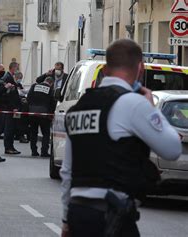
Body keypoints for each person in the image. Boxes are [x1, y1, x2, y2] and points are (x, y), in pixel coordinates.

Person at [60, 39, 182, 237]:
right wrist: (151, 108)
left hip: (79, 210)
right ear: (140, 68)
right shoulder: (132, 103)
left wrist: (66, 220)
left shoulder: (79, 108)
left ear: (105, 69)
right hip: (112, 214)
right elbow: (172, 149)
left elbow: (67, 171)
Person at [26, 76, 56, 157]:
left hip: (32, 113)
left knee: (33, 133)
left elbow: (28, 98)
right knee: (46, 133)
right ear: (51, 83)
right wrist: (51, 113)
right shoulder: (50, 90)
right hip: (44, 114)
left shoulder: (34, 86)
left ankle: (34, 151)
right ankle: (44, 151)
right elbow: (53, 103)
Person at [2, 62, 22, 154]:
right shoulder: (8, 77)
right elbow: (9, 95)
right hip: (10, 108)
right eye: (17, 68)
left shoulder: (11, 77)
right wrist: (13, 107)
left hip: (13, 107)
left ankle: (11, 146)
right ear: (13, 68)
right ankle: (8, 147)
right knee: (9, 128)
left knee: (12, 127)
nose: (18, 70)